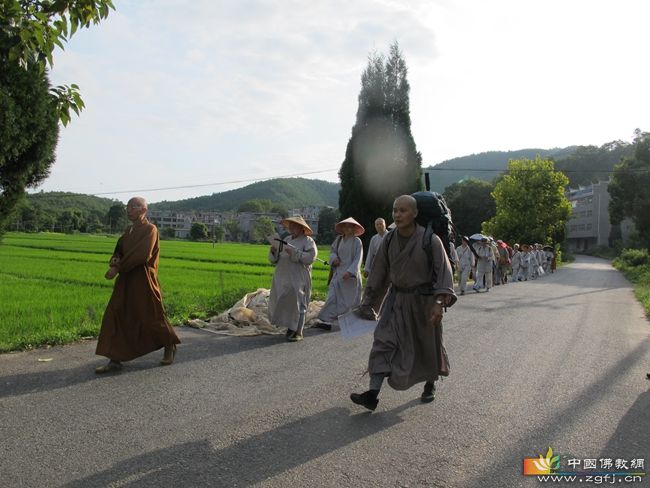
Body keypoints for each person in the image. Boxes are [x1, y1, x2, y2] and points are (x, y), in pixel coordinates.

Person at [351, 195, 456, 411]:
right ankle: (372, 394)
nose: (397, 215)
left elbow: (444, 273)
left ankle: (430, 384)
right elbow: (379, 272)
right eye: (395, 210)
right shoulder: (388, 240)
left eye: (403, 210)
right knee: (383, 341)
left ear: (415, 213)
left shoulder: (430, 240)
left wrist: (438, 302)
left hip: (424, 304)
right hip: (396, 301)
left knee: (427, 345)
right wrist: (368, 301)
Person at [95, 197, 180, 373]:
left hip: (143, 279)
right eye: (128, 206)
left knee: (151, 315)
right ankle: (115, 358)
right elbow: (120, 249)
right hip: (126, 280)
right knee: (117, 314)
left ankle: (169, 345)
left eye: (134, 206)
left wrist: (118, 268)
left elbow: (142, 255)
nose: (129, 209)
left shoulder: (150, 229)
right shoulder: (129, 231)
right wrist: (115, 260)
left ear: (144, 210)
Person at [268, 216, 317, 342]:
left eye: (295, 226)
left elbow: (311, 258)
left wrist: (295, 253)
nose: (292, 228)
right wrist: (274, 251)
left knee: (299, 301)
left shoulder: (308, 241)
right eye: (290, 226)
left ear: (302, 228)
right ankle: (290, 327)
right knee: (285, 301)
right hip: (283, 276)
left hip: (298, 276)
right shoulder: (286, 239)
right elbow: (275, 259)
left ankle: (298, 331)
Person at [315, 217, 364, 330]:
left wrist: (350, 272)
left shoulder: (357, 242)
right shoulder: (338, 240)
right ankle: (326, 320)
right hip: (338, 274)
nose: (347, 228)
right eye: (345, 226)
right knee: (332, 297)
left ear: (353, 228)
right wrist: (334, 258)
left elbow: (358, 259)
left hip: (350, 277)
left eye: (350, 226)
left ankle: (349, 321)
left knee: (349, 302)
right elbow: (332, 252)